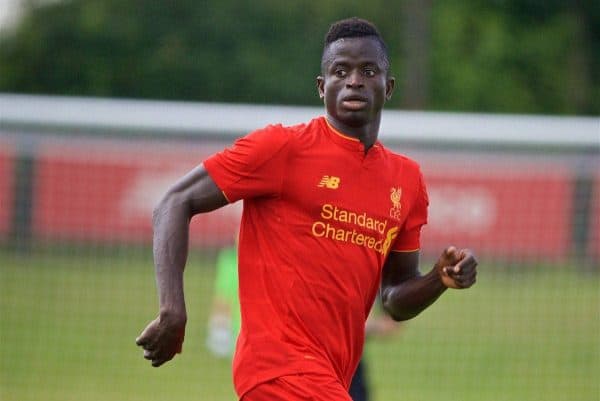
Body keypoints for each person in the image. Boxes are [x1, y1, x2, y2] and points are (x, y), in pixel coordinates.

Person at [136, 17, 478, 401]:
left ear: (389, 87)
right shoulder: (281, 148)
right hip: (276, 370)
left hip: (331, 377)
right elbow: (174, 202)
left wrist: (437, 278)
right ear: (322, 87)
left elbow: (394, 299)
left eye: (368, 70)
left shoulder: (407, 180)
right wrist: (173, 310)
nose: (354, 80)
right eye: (340, 71)